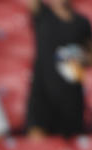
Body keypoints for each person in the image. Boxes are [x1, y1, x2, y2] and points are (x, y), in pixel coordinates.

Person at [26, 0, 92, 138]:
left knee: (69, 144)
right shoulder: (43, 15)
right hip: (42, 92)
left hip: (70, 94)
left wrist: (81, 58)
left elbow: (89, 53)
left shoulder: (82, 23)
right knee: (38, 143)